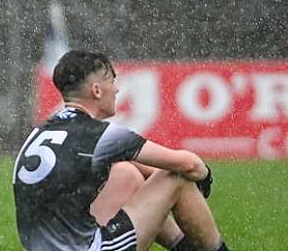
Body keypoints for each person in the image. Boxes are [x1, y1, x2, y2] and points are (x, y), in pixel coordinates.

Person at [12, 50, 229, 251]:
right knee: (176, 178)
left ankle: (185, 248)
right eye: (112, 81)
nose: (116, 89)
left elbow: (128, 164)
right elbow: (188, 164)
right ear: (96, 90)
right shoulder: (101, 134)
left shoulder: (42, 130)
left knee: (127, 174)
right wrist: (205, 176)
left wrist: (157, 187)